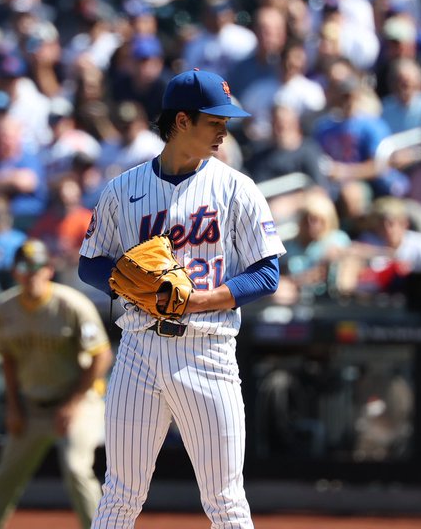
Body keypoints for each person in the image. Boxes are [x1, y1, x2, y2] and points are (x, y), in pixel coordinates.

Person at [78, 69, 286, 529]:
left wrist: (197, 301)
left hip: (208, 351)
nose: (224, 130)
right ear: (181, 122)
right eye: (214, 120)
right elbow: (89, 262)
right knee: (120, 494)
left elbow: (267, 274)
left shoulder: (237, 188)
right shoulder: (123, 189)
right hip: (138, 348)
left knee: (225, 500)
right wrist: (124, 281)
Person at [0, 240, 112, 529]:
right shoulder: (6, 308)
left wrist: (73, 404)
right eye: (25, 267)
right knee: (5, 476)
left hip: (79, 402)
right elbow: (8, 360)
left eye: (38, 266)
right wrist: (13, 407)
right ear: (15, 272)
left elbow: (101, 356)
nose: (32, 273)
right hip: (32, 407)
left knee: (77, 469)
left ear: (49, 270)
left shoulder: (71, 304)